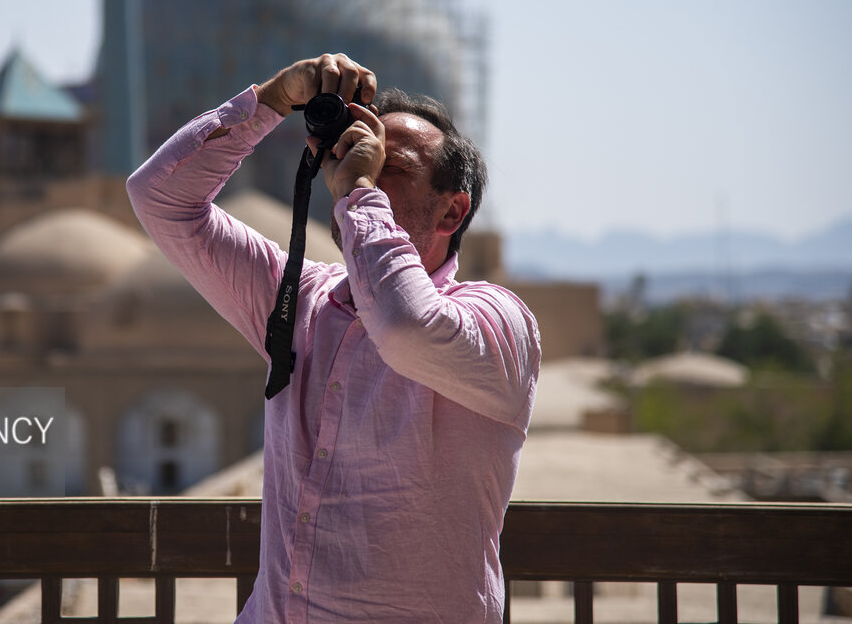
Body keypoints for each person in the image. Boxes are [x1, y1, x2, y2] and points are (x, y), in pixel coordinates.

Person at [127, 53, 541, 623]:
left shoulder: (499, 323)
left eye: (391, 167)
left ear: (453, 211)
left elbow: (403, 326)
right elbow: (160, 198)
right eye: (356, 153)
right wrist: (271, 100)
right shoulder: (301, 301)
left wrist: (360, 195)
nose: (358, 169)